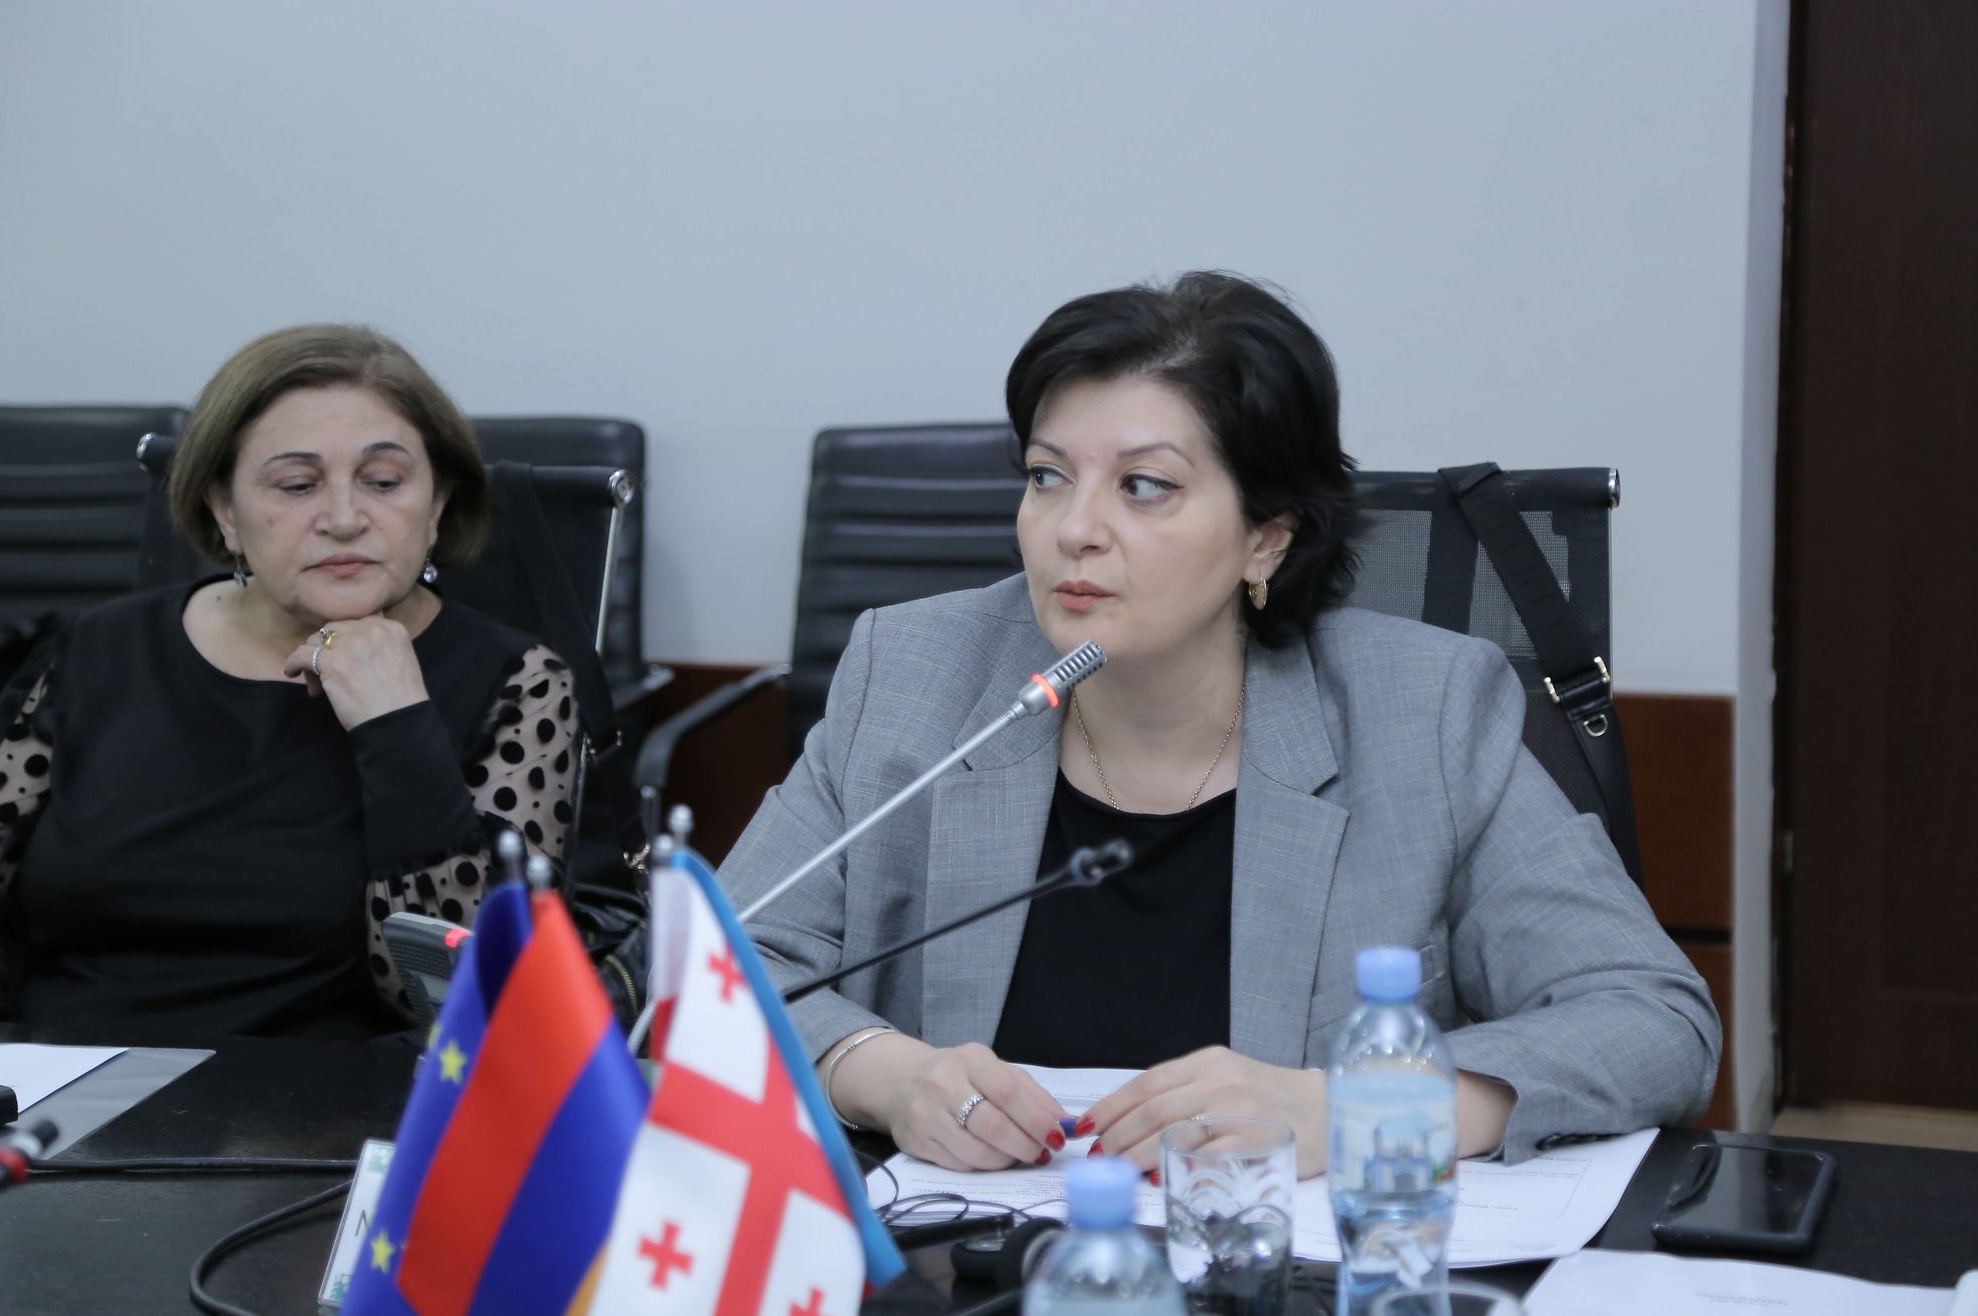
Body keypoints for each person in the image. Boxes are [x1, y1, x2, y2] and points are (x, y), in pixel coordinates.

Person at [720, 272, 1720, 1177]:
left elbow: (1653, 1020)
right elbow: (719, 971)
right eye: (1046, 475)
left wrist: (1359, 1111)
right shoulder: (912, 676)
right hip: (967, 1272)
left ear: (1266, 539)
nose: (1074, 528)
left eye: (1143, 486)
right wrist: (879, 1071)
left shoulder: (1425, 711)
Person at [0, 325, 577, 1037]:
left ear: (438, 504)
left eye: (384, 482)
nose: (343, 519)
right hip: (65, 1084)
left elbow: (466, 1004)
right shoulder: (100, 649)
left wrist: (397, 725)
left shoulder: (519, 683)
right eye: (297, 485)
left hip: (322, 1097)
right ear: (224, 511)